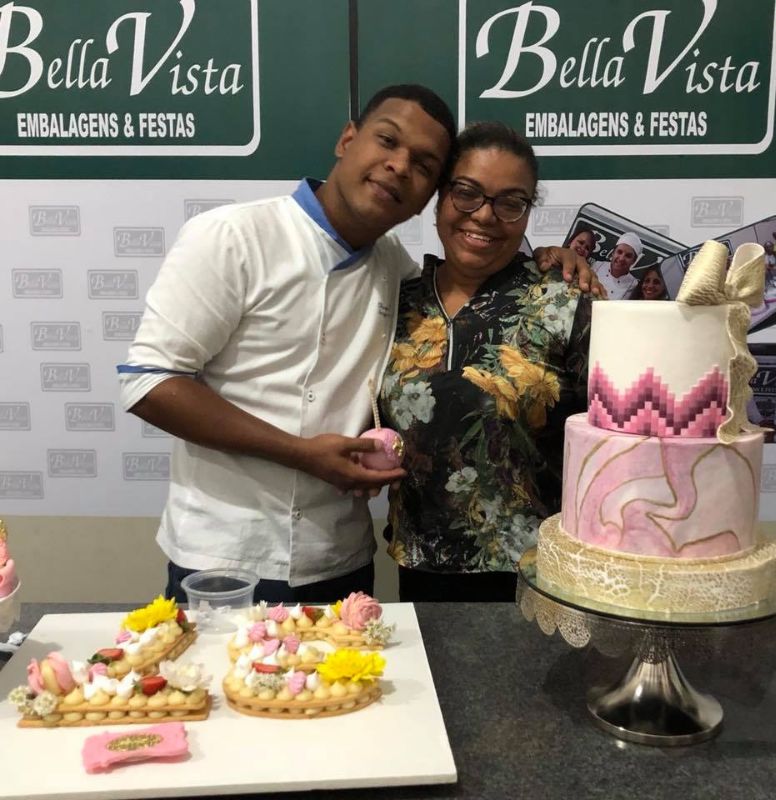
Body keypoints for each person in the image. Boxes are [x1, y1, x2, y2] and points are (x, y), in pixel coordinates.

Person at [118, 85, 598, 606]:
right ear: (348, 139)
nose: (399, 166)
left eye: (422, 164)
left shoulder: (397, 270)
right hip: (226, 554)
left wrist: (552, 259)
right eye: (387, 140)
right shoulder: (233, 236)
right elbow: (148, 382)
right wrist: (303, 455)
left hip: (341, 555)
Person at [379, 121, 593, 602]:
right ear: (440, 197)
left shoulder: (564, 302)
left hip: (538, 576)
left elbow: (615, 444)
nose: (484, 215)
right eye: (467, 193)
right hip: (419, 568)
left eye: (511, 202)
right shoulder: (398, 301)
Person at [592, 231, 642, 299]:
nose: (621, 258)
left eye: (628, 256)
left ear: (633, 261)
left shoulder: (633, 285)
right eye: (619, 252)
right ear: (613, 253)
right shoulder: (597, 266)